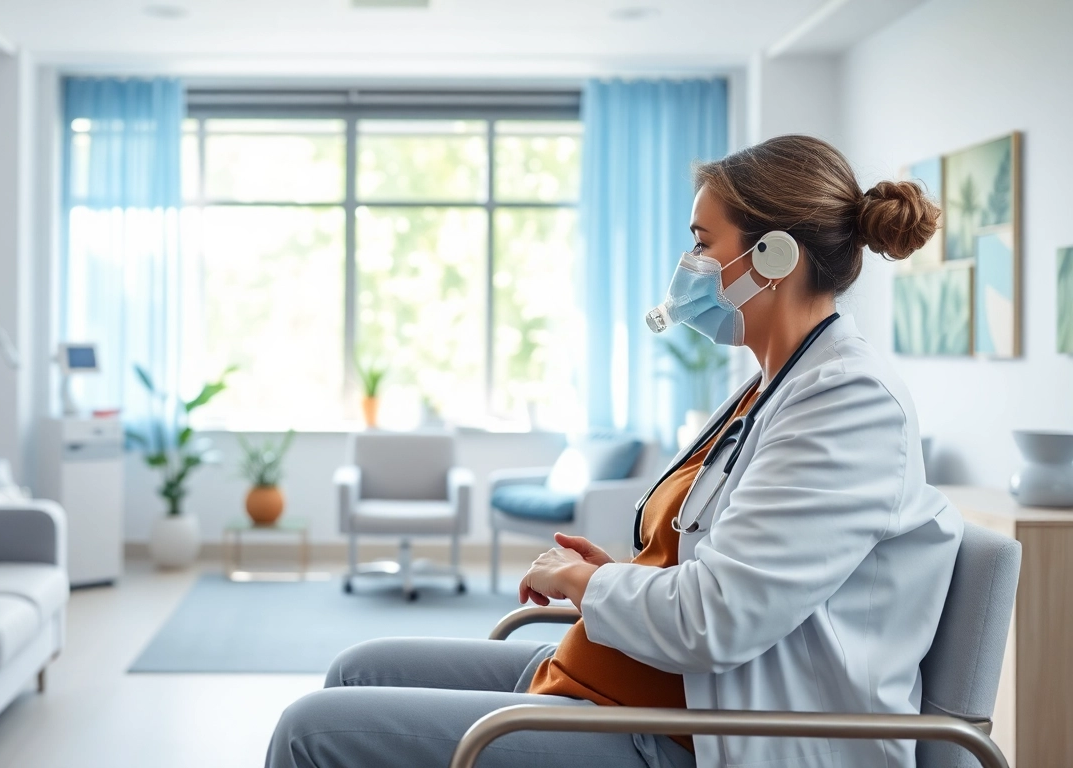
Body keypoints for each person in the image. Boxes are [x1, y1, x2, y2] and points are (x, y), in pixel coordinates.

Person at [265, 134, 963, 768]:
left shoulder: (845, 401)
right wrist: (623, 575)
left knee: (311, 731)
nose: (687, 266)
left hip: (692, 728)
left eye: (701, 242)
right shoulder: (773, 385)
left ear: (773, 257)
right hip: (639, 683)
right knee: (360, 669)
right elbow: (726, 566)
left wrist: (580, 584)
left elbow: (717, 618)